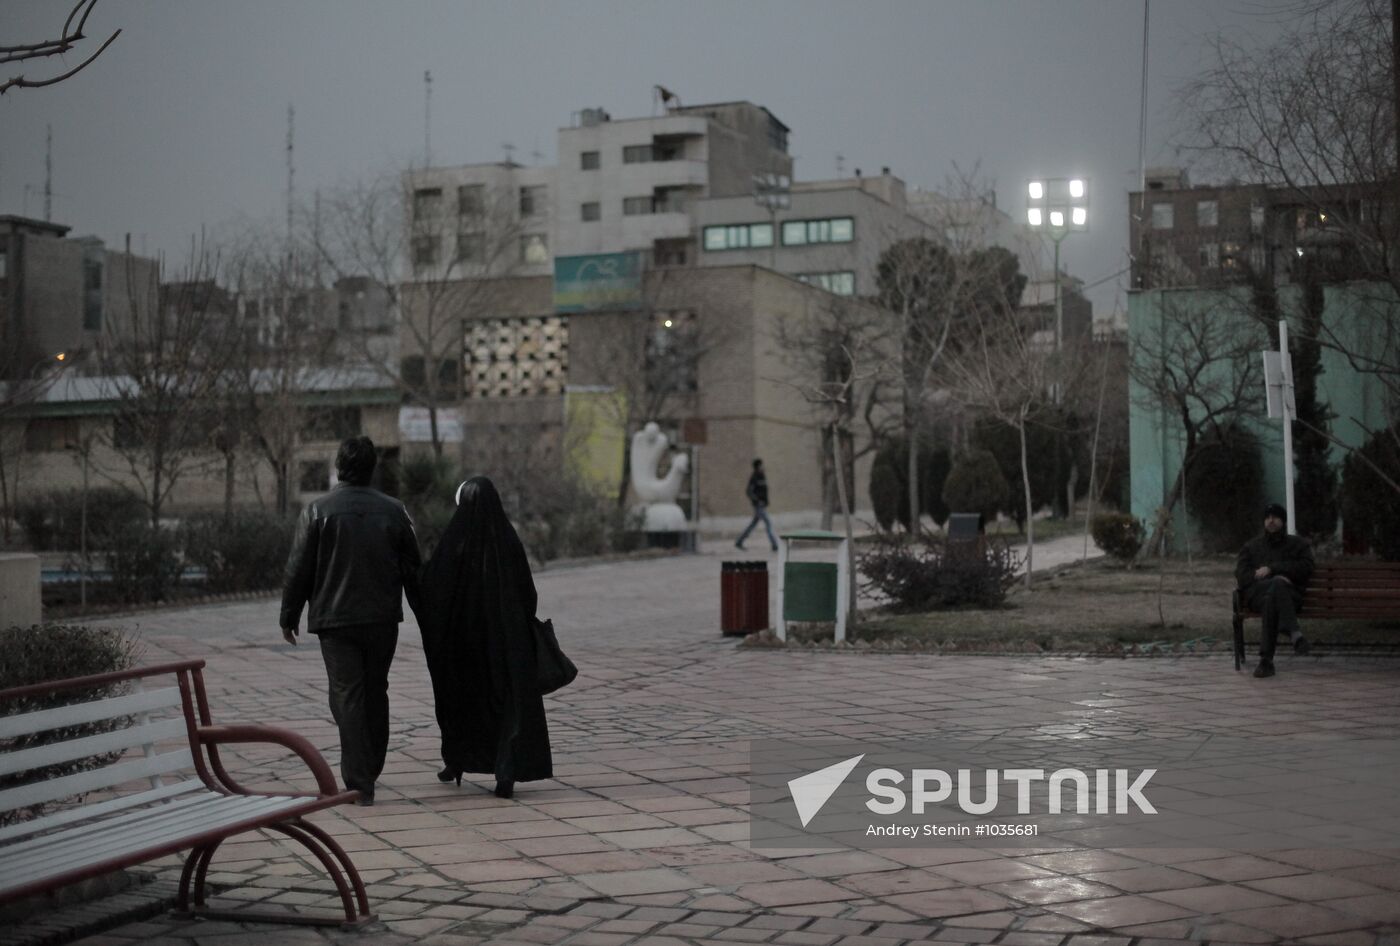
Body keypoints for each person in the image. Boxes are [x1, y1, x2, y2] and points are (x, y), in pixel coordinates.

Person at [279, 436, 422, 806]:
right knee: (376, 691)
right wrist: (427, 611)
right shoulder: (395, 511)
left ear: (339, 466)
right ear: (373, 467)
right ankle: (368, 768)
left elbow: (298, 568)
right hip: (381, 619)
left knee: (347, 695)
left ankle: (360, 780)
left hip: (335, 621)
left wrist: (289, 614)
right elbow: (414, 569)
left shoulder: (317, 511)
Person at [417, 476, 552, 799]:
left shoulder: (454, 543)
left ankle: (456, 760)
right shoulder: (508, 541)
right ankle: (505, 772)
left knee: (461, 702)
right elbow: (527, 594)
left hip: (464, 646)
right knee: (507, 708)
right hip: (507, 643)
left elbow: (432, 591)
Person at [1235, 502, 1315, 678]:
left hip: (1290, 596)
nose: (1271, 521)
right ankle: (1294, 634)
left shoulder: (1298, 545)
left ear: (1283, 521)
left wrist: (1273, 570)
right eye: (1268, 518)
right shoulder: (1251, 547)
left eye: (1276, 517)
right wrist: (1264, 577)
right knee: (1276, 587)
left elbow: (1307, 567)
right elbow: (1241, 575)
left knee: (1274, 595)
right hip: (1258, 595)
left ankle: (1266, 662)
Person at [735, 458, 778, 552]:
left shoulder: (762, 476)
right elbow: (749, 491)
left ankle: (739, 541)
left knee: (753, 524)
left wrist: (766, 501)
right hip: (759, 505)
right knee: (768, 523)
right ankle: (775, 545)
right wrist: (757, 500)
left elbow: (764, 491)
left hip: (762, 505)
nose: (763, 467)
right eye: (761, 465)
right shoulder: (754, 477)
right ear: (758, 466)